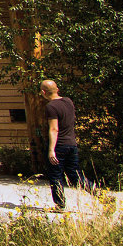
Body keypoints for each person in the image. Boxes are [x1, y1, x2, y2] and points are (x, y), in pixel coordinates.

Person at [41, 79, 81, 209]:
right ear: (57, 89)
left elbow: (54, 129)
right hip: (72, 144)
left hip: (59, 146)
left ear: (43, 92)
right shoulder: (68, 101)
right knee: (74, 175)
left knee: (56, 176)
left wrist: (51, 149)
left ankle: (60, 205)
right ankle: (99, 194)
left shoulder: (51, 107)